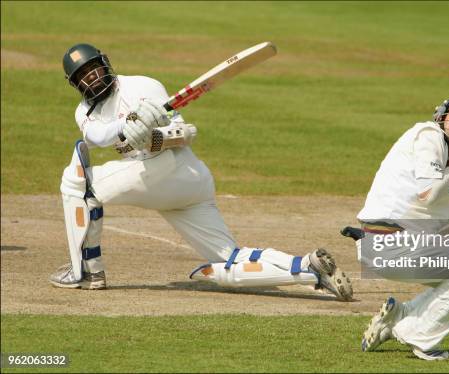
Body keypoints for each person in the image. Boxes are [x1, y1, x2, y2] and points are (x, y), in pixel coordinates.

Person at [50, 43, 353, 301]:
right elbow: (98, 138)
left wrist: (155, 137)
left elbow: (185, 133)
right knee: (228, 259)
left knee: (77, 182)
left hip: (172, 169)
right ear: (75, 84)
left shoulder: (142, 86)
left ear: (105, 64)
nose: (92, 78)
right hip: (171, 184)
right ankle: (308, 270)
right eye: (83, 76)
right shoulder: (84, 112)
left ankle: (87, 271)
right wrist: (127, 126)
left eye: (94, 69)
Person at [350, 94, 449, 360]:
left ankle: (402, 314)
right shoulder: (428, 135)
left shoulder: (442, 154)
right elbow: (429, 193)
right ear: (442, 115)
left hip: (387, 246)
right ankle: (417, 334)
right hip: (389, 243)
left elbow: (437, 219)